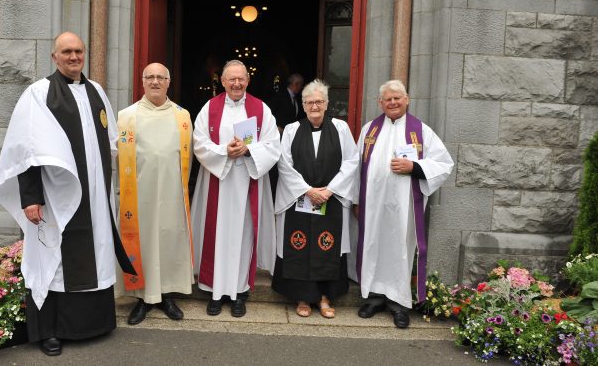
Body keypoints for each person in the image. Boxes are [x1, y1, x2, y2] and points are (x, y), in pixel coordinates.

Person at [0, 31, 135, 356]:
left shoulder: (97, 92)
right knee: (53, 260)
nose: (74, 57)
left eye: (78, 52)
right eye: (67, 52)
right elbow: (25, 151)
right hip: (57, 199)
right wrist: (31, 198)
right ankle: (50, 331)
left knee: (96, 253)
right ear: (54, 57)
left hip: (95, 200)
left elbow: (111, 144)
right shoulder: (38, 94)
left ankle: (94, 324)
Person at [352, 79, 453, 328]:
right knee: (373, 246)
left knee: (399, 249)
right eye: (388, 99)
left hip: (403, 208)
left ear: (407, 99)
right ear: (380, 103)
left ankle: (398, 303)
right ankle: (374, 297)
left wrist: (414, 167)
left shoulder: (421, 131)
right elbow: (355, 168)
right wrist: (356, 200)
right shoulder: (369, 131)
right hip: (374, 206)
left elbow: (444, 163)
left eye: (397, 97)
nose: (393, 102)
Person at [191, 60, 281, 318]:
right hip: (217, 182)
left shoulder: (261, 109)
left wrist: (248, 149)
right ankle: (214, 292)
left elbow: (274, 144)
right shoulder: (210, 108)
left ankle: (239, 293)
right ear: (222, 81)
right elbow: (199, 142)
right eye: (231, 79)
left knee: (243, 235)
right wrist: (224, 151)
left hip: (247, 181)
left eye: (241, 79)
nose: (237, 83)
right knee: (215, 234)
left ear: (248, 80)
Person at [271, 80, 358, 319]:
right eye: (309, 102)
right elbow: (284, 164)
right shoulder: (291, 130)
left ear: (327, 104)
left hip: (331, 200)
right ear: (304, 105)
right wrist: (308, 190)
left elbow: (352, 162)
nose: (314, 106)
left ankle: (324, 297)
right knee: (300, 246)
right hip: (300, 200)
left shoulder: (340, 129)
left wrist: (329, 191)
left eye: (319, 101)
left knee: (326, 246)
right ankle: (302, 296)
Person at [116, 62, 194, 325]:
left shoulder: (182, 116)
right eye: (150, 77)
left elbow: (189, 157)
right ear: (142, 81)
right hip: (139, 193)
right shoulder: (127, 116)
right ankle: (141, 298)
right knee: (144, 241)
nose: (155, 82)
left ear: (169, 82)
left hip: (172, 192)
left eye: (161, 77)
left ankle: (166, 295)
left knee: (169, 240)